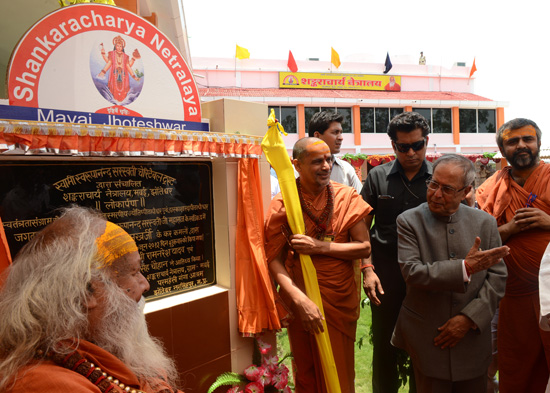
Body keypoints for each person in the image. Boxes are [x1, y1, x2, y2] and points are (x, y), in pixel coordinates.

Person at [0, 206, 182, 393]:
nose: (144, 285)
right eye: (133, 272)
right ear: (85, 291)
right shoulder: (48, 385)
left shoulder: (104, 345)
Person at [392, 154, 508, 393]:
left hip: (473, 337)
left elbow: (497, 278)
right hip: (427, 335)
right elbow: (412, 272)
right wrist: (464, 268)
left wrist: (469, 319)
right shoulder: (409, 221)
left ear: (466, 190)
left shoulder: (485, 223)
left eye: (446, 189)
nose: (436, 194)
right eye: (433, 184)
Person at [265, 137, 372, 393]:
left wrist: (319, 247)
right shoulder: (284, 205)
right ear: (296, 165)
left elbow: (364, 247)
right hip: (301, 299)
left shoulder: (346, 196)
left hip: (339, 298)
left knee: (339, 368)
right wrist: (299, 300)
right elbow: (273, 261)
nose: (326, 166)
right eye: (317, 161)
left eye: (328, 160)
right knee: (307, 372)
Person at [476, 118, 550, 393]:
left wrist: (548, 222)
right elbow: (479, 242)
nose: (521, 145)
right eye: (512, 141)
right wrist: (510, 228)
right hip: (512, 293)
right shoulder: (489, 189)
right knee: (518, 368)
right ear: (502, 148)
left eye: (527, 139)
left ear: (538, 144)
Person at [361, 111, 432, 393]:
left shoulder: (439, 177)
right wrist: (367, 270)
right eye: (404, 147)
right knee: (385, 346)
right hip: (386, 276)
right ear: (393, 146)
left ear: (427, 142)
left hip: (428, 276)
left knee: (425, 347)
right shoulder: (378, 177)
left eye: (418, 145)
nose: (412, 152)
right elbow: (362, 229)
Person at [308, 111, 363, 193]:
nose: (341, 138)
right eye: (335, 132)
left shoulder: (346, 170)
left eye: (341, 133)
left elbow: (360, 201)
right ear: (317, 136)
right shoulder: (296, 171)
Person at [98, 35, 141, 103]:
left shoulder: (125, 56)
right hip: (114, 75)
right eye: (117, 46)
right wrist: (103, 71)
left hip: (123, 76)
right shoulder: (112, 54)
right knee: (113, 91)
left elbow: (128, 66)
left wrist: (134, 76)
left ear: (123, 47)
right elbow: (109, 62)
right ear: (115, 46)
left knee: (123, 92)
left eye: (120, 46)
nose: (119, 47)